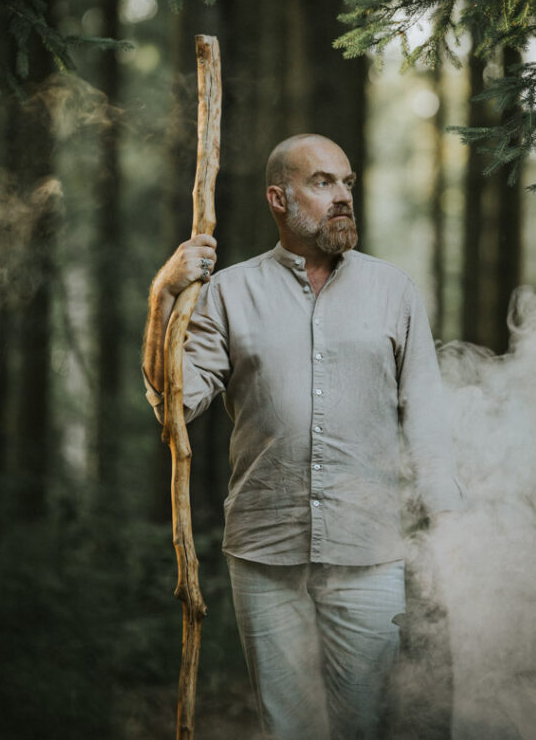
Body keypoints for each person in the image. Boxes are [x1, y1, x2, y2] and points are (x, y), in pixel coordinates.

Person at [142, 133, 463, 740]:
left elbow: (426, 413)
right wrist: (164, 294)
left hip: (369, 552)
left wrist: (448, 523)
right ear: (278, 200)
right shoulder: (230, 292)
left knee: (365, 726)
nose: (342, 197)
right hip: (264, 551)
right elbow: (174, 403)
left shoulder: (393, 290)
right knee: (289, 728)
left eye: (346, 183)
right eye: (322, 183)